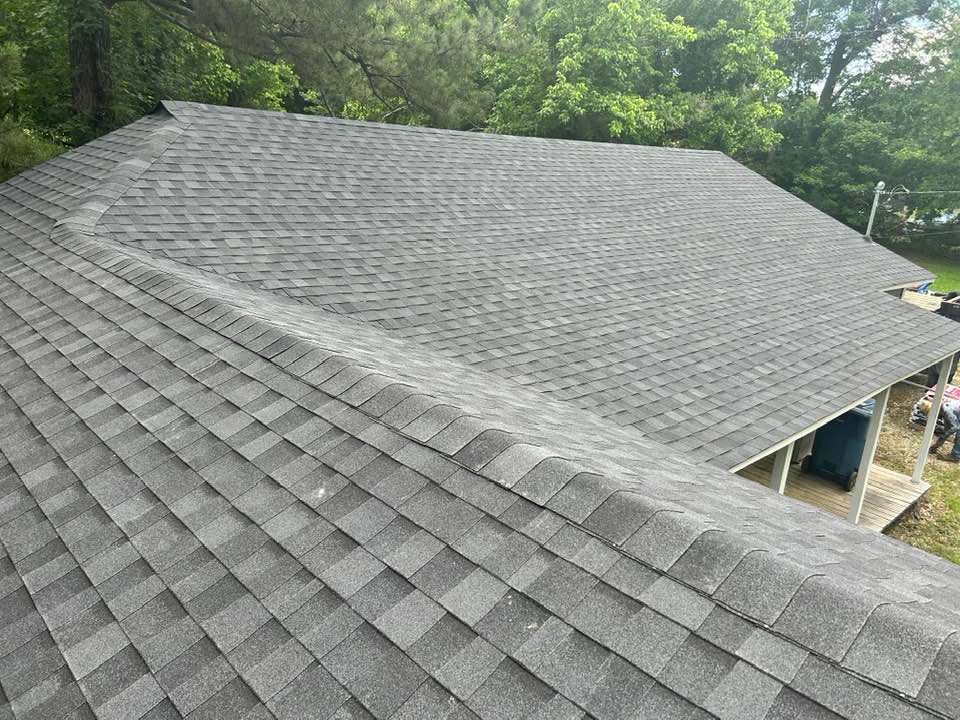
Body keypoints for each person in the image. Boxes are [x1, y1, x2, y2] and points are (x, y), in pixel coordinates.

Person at [924, 396, 960, 462]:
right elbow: (947, 429)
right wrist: (936, 445)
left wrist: (943, 436)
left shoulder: (947, 411)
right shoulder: (944, 409)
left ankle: (955, 456)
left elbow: (955, 427)